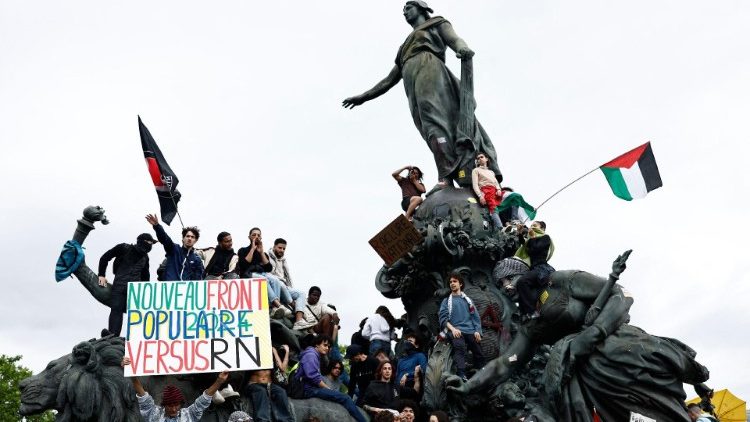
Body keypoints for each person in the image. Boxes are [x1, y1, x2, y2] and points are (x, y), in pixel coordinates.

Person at [449, 252, 711, 421]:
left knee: (658, 397)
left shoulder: (562, 281)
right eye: (501, 284)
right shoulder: (532, 325)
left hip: (613, 343)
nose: (507, 288)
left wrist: (595, 333)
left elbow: (620, 293)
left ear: (524, 275)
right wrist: (469, 385)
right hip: (577, 373)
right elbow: (504, 363)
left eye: (510, 279)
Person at [343, 1, 501, 189]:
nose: (404, 13)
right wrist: (363, 97)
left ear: (421, 8)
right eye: (403, 11)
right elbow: (389, 80)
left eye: (408, 8)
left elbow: (455, 40)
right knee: (428, 129)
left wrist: (462, 49)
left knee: (435, 122)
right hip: (412, 86)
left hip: (430, 71)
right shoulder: (404, 48)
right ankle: (447, 175)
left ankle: (446, 177)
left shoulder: (436, 23)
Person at [123, 357, 228, 422]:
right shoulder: (154, 414)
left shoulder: (189, 415)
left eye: (176, 405)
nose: (173, 409)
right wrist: (131, 372)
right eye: (170, 406)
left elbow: (204, 400)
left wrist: (219, 381)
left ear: (180, 404)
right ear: (164, 405)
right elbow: (142, 394)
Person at [97, 233, 157, 336]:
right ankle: (112, 336)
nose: (150, 244)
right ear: (141, 241)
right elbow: (105, 258)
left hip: (135, 290)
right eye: (149, 242)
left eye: (152, 243)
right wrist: (101, 275)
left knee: (137, 314)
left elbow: (146, 277)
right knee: (116, 309)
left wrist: (145, 292)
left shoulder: (145, 258)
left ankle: (136, 339)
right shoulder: (123, 247)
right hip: (120, 285)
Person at [297, 335, 367, 422]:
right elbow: (314, 378)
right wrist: (329, 389)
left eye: (328, 346)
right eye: (325, 345)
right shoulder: (311, 355)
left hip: (310, 387)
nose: (327, 348)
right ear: (317, 345)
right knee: (345, 398)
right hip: (308, 389)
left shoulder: (315, 355)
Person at [438, 272, 484, 381]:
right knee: (460, 348)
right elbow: (443, 319)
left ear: (460, 284)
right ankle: (461, 374)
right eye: (450, 282)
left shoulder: (468, 301)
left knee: (479, 352)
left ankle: (481, 372)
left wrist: (477, 331)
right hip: (455, 330)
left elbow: (475, 317)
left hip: (470, 330)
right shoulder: (446, 301)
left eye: (455, 281)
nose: (452, 284)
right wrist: (453, 329)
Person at [237, 228, 292, 314]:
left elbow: (268, 268)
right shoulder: (242, 250)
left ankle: (275, 308)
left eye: (259, 235)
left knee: (275, 280)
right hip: (248, 274)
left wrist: (261, 252)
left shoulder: (263, 253)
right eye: (254, 235)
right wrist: (252, 249)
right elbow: (243, 265)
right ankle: (277, 305)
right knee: (263, 280)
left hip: (262, 273)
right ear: (249, 237)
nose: (256, 237)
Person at [513, 221, 554, 320]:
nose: (532, 227)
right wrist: (519, 233)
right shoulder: (531, 240)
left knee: (522, 282)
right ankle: (523, 313)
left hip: (542, 269)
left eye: (535, 226)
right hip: (532, 269)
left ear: (542, 229)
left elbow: (536, 248)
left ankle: (532, 312)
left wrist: (532, 237)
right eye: (531, 226)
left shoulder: (545, 238)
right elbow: (525, 247)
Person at [145, 213, 204, 281]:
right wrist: (157, 226)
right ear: (183, 238)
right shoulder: (174, 249)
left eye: (192, 237)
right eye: (187, 236)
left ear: (195, 240)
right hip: (170, 288)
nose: (189, 238)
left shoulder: (197, 260)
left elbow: (198, 280)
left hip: (185, 290)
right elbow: (165, 239)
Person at [267, 238, 306, 319]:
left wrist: (291, 288)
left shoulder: (283, 261)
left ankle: (299, 320)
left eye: (284, 248)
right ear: (274, 247)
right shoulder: (267, 256)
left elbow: (288, 278)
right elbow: (267, 274)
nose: (282, 250)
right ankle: (292, 307)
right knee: (280, 283)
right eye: (280, 248)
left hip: (285, 287)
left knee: (301, 294)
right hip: (275, 286)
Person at [471, 152, 503, 229]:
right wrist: (480, 196)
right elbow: (475, 184)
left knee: (512, 197)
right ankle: (500, 227)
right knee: (493, 208)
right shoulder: (476, 170)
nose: (479, 159)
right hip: (486, 190)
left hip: (495, 191)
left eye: (481, 157)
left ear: (486, 159)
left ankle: (512, 222)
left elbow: (496, 182)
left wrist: (498, 189)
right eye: (478, 158)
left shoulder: (491, 172)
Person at [394, 333, 426, 398]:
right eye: (407, 341)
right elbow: (397, 376)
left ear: (416, 345)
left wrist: (407, 375)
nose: (407, 343)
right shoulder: (401, 360)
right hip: (399, 390)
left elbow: (424, 370)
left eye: (410, 341)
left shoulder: (420, 356)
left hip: (412, 388)